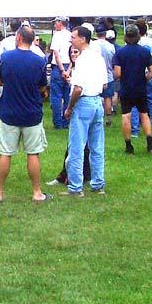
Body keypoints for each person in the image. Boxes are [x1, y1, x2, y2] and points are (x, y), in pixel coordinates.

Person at [0, 25, 49, 203]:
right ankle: (37, 192)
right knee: (33, 153)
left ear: (19, 38)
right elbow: (43, 86)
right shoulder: (40, 61)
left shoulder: (5, 58)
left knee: (5, 152)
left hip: (9, 112)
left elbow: (1, 80)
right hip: (32, 113)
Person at [63, 26, 106, 196]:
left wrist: (70, 107)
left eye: (73, 37)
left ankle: (75, 187)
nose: (71, 40)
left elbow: (78, 89)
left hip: (84, 103)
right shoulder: (98, 58)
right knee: (97, 146)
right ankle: (98, 183)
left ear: (82, 39)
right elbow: (104, 84)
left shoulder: (81, 60)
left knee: (77, 147)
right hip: (97, 101)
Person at [113, 26, 152, 155]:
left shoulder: (120, 52)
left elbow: (117, 73)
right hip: (140, 87)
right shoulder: (144, 51)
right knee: (144, 114)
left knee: (126, 115)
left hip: (126, 87)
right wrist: (145, 79)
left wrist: (123, 79)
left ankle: (129, 145)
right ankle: (150, 143)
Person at [48, 17, 72, 130]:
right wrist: (69, 70)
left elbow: (56, 55)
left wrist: (62, 70)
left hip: (59, 67)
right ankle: (66, 121)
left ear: (60, 23)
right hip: (69, 66)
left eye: (55, 22)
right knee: (67, 95)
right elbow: (74, 55)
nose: (54, 25)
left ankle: (58, 123)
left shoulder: (57, 36)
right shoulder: (71, 35)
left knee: (57, 96)